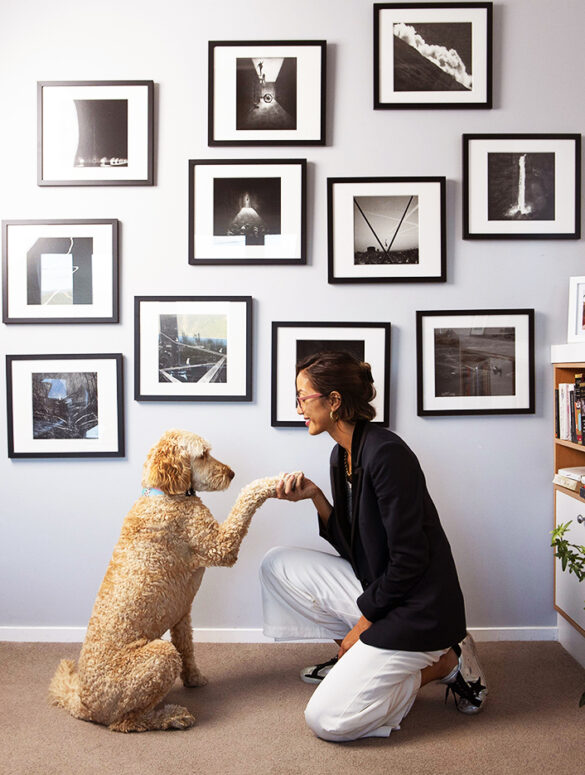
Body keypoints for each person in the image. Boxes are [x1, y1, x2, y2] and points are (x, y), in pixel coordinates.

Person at [259, 351, 486, 742]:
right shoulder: (341, 455)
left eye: (302, 397)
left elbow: (410, 561)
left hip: (420, 607)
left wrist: (363, 623)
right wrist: (315, 497)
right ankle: (358, 661)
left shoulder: (387, 454)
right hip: (383, 585)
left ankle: (446, 661)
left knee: (327, 720)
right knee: (277, 564)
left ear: (333, 401)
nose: (298, 407)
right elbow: (354, 548)